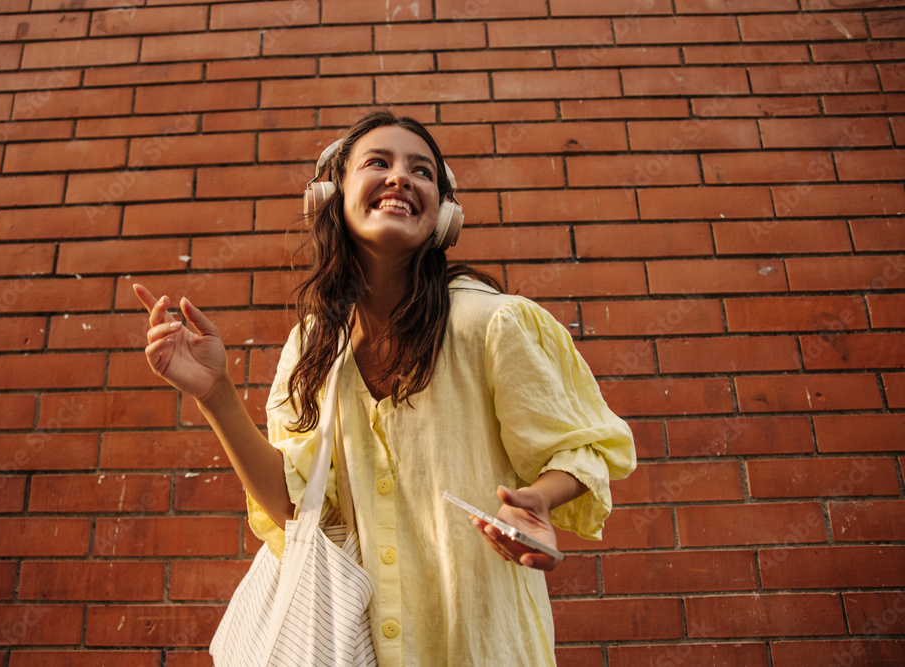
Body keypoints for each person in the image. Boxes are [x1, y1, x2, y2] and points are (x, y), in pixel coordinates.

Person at [134, 110, 636, 666]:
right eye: (378, 162)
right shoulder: (312, 348)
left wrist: (535, 503)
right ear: (331, 196)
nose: (400, 177)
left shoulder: (491, 323)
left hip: (480, 647)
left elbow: (580, 446)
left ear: (444, 214)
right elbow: (292, 508)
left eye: (421, 171)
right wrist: (215, 393)